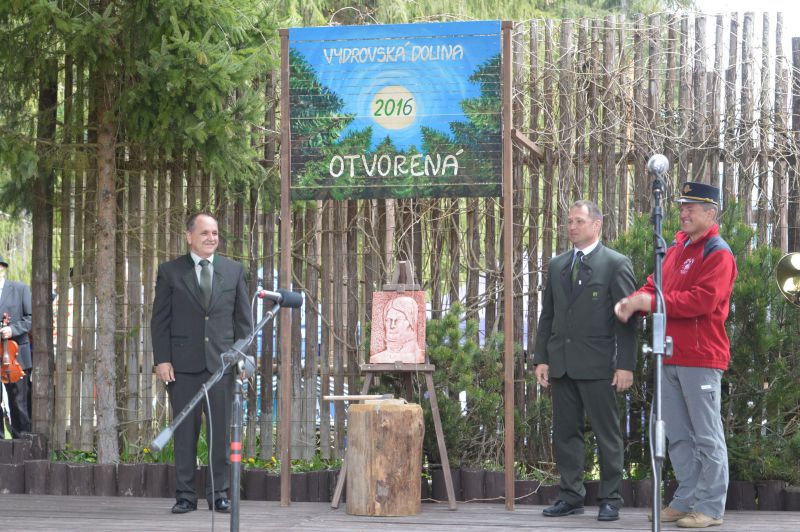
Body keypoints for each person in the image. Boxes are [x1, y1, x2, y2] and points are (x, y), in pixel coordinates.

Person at [615, 182, 736, 529]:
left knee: (706, 435)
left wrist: (649, 303)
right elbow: (655, 284)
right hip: (667, 354)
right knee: (677, 434)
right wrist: (634, 300)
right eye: (682, 206)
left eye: (691, 208)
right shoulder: (678, 246)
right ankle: (686, 499)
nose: (682, 213)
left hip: (701, 357)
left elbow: (702, 300)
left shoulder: (718, 252)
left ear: (710, 213)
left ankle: (711, 507)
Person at [533, 200, 637, 522]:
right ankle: (571, 496)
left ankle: (610, 498)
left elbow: (628, 320)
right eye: (569, 221)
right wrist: (541, 359)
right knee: (565, 433)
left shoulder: (615, 264)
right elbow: (547, 315)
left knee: (607, 434)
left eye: (578, 221)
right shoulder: (557, 264)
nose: (572, 226)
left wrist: (626, 365)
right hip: (561, 363)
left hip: (597, 365)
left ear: (597, 225)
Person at [151, 213, 251, 514]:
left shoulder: (233, 271)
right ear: (189, 236)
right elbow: (160, 320)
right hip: (182, 367)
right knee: (185, 434)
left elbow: (243, 322)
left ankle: (218, 494)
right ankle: (185, 496)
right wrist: (162, 360)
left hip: (223, 367)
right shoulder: (170, 272)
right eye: (205, 232)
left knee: (220, 434)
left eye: (215, 233)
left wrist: (243, 358)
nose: (211, 238)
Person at [0, 256, 33, 436]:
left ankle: (22, 441)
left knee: (18, 401)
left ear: (2, 268)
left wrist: (12, 330)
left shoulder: (20, 289)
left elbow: (30, 318)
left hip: (14, 355)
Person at [370, 295, 424, 363]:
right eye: (388, 320)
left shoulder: (419, 356)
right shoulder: (377, 358)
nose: (392, 326)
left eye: (397, 320)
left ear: (411, 324)